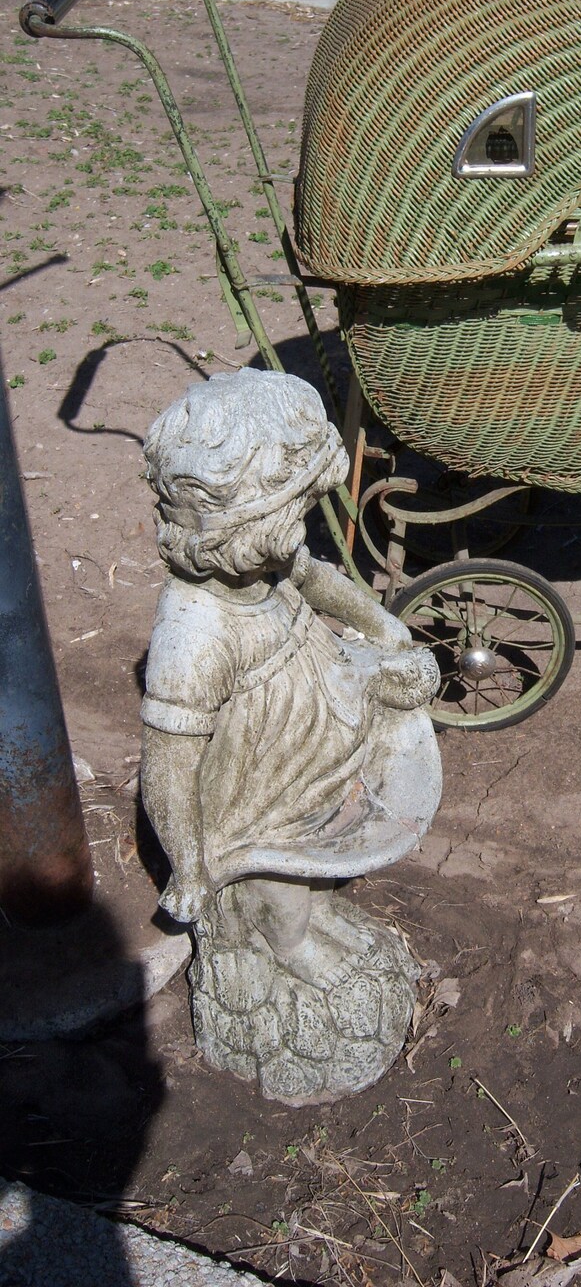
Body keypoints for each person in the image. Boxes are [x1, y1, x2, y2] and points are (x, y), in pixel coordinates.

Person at [140, 368, 440, 989]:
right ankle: (286, 944)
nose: (304, 529)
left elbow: (317, 578)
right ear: (248, 525)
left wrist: (380, 627)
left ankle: (316, 906)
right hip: (259, 798)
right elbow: (166, 765)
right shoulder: (193, 636)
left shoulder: (264, 565)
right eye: (298, 513)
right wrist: (189, 866)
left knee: (318, 853)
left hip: (307, 757)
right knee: (277, 873)